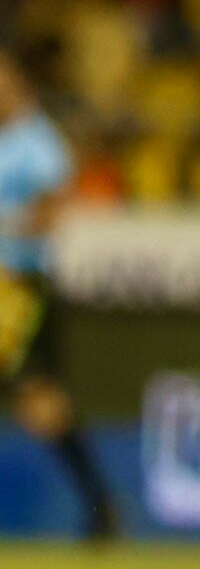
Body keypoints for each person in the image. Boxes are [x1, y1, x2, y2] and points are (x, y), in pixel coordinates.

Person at [0, 47, 116, 541]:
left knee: (39, 401)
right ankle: (101, 506)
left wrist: (9, 232)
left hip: (20, 286)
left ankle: (101, 504)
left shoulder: (37, 141)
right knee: (40, 401)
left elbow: (53, 210)